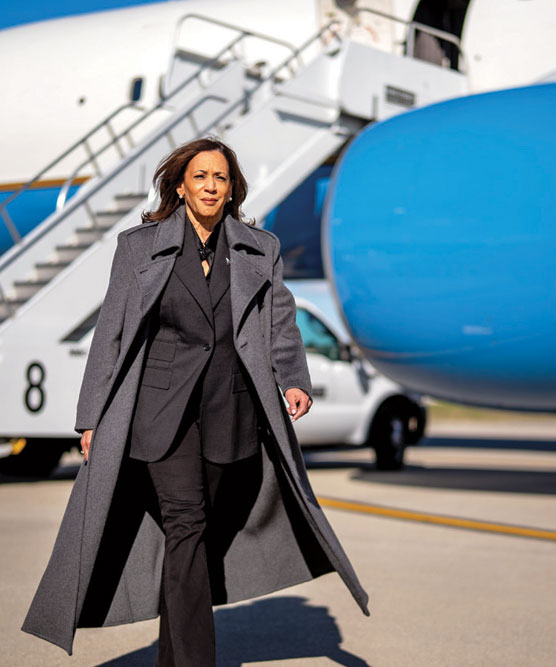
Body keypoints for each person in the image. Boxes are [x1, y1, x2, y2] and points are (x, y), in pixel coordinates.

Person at [22, 138, 369, 663]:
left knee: (199, 537)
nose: (211, 186)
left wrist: (293, 378)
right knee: (187, 526)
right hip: (159, 416)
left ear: (233, 190)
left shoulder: (260, 248)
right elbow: (110, 334)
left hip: (232, 413)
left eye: (221, 178)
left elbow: (280, 321)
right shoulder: (138, 246)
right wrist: (91, 416)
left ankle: (173, 656)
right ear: (180, 186)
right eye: (201, 177)